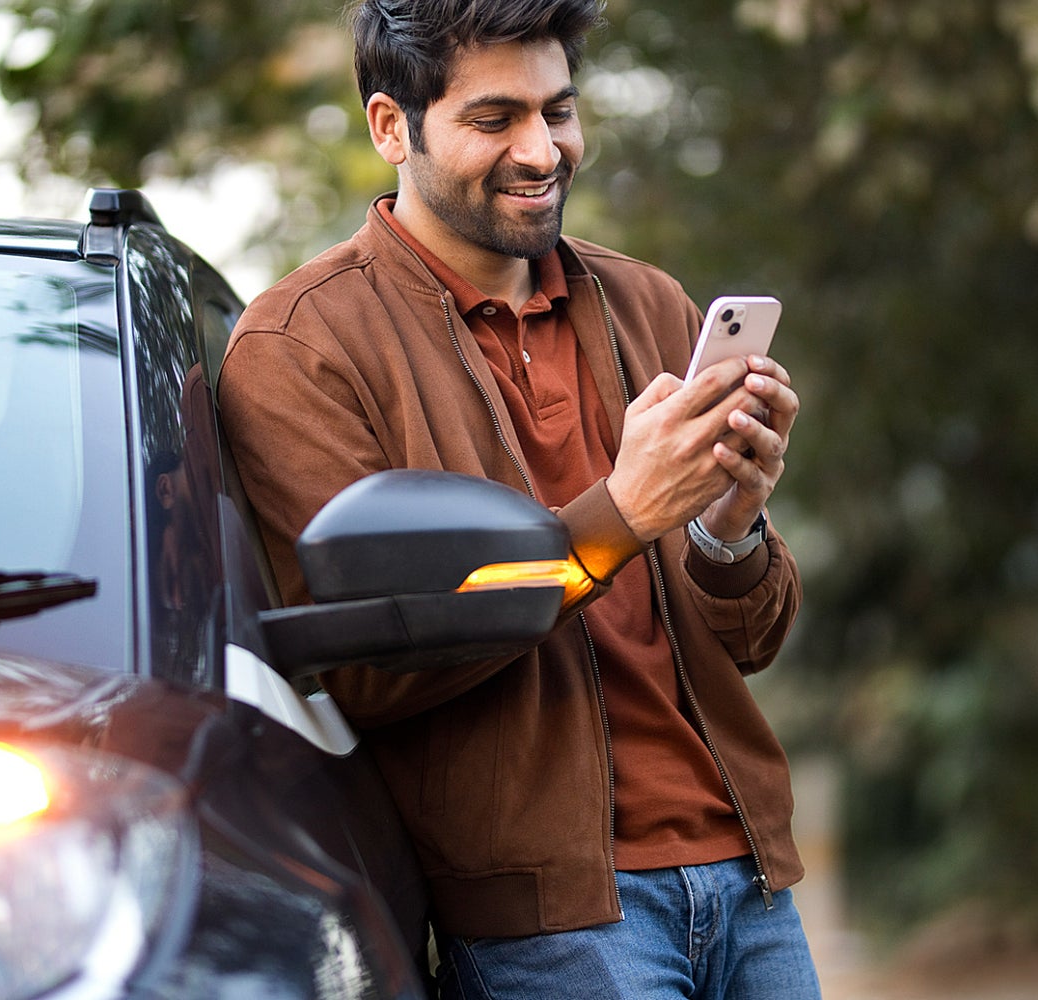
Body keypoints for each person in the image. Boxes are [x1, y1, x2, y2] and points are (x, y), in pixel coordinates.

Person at [216, 1, 819, 995]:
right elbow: (366, 665)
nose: (541, 149)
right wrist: (617, 514)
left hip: (747, 882)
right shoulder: (300, 349)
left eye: (558, 111)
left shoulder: (648, 305)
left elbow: (752, 640)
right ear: (387, 127)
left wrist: (728, 524)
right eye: (493, 120)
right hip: (553, 924)